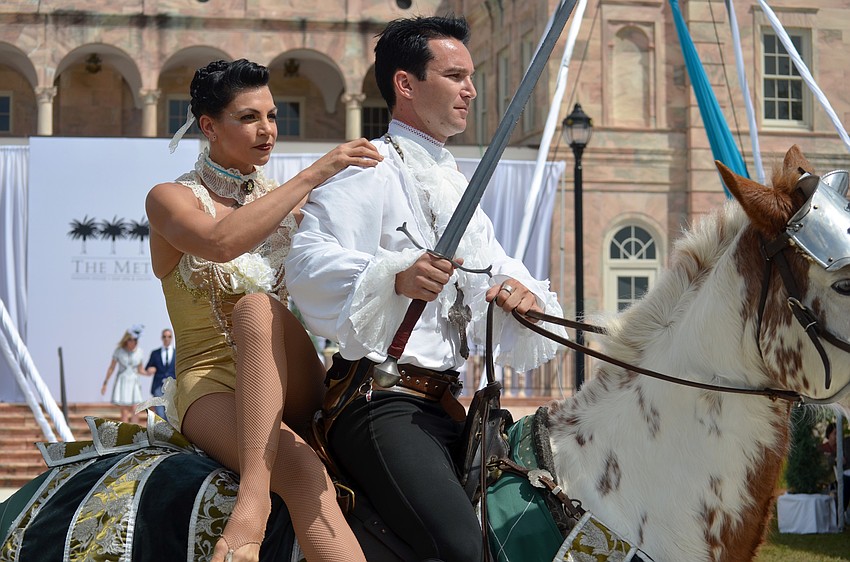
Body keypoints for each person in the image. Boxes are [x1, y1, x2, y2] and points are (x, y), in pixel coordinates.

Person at [285, 16, 564, 561]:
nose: (471, 89)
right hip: (378, 401)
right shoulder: (368, 167)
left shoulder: (454, 180)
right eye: (455, 75)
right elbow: (306, 263)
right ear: (406, 85)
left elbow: (496, 266)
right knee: (460, 547)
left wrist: (520, 292)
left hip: (444, 402)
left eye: (472, 76)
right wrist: (395, 276)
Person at [145, 59, 381, 562]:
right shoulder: (168, 199)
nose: (268, 130)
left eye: (273, 116)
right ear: (208, 126)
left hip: (291, 375)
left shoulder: (289, 203)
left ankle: (251, 504)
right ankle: (253, 508)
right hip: (209, 381)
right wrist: (317, 172)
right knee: (301, 473)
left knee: (258, 309)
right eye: (249, 117)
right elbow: (220, 242)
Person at [101, 324, 147, 424]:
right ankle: (126, 436)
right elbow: (111, 368)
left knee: (136, 410)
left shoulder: (139, 352)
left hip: (134, 382)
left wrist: (149, 372)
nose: (134, 342)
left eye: (136, 340)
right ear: (126, 340)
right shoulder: (119, 351)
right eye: (131, 339)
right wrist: (105, 383)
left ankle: (136, 435)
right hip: (123, 382)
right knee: (124, 412)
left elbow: (140, 369)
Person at [144, 328, 176, 419]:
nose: (167, 339)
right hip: (158, 386)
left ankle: (169, 433)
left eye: (169, 336)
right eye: (164, 336)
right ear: (161, 338)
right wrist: (151, 369)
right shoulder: (155, 353)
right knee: (160, 414)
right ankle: (161, 432)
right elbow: (148, 367)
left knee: (170, 413)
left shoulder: (176, 353)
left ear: (172, 338)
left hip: (171, 387)